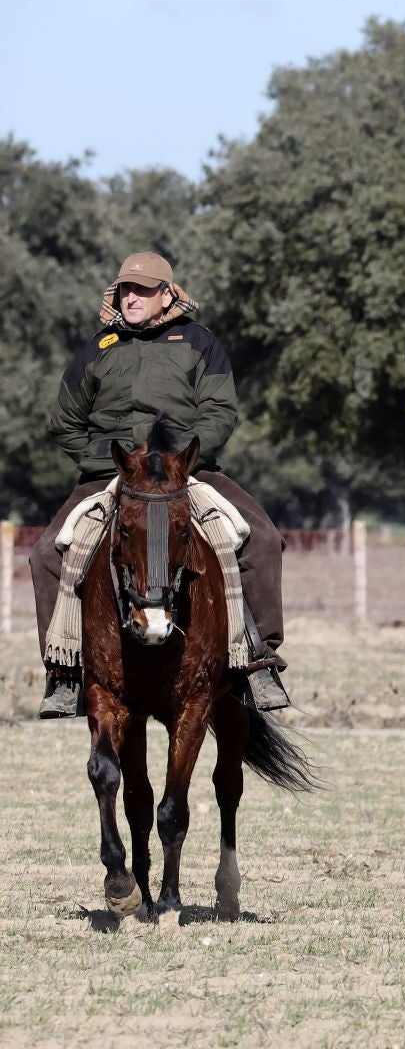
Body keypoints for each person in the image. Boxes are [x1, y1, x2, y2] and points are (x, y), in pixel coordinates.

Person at [31, 252, 289, 717]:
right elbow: (65, 421)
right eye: (126, 289)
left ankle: (260, 660)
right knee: (47, 553)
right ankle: (64, 671)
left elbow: (219, 412)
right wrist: (108, 463)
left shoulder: (200, 343)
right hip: (111, 475)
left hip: (186, 471)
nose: (132, 297)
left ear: (168, 294)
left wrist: (179, 461)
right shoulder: (99, 347)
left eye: (144, 290)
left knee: (264, 540)